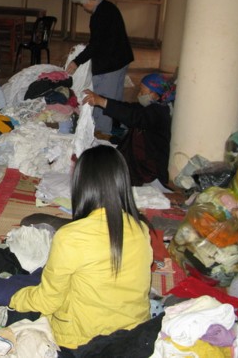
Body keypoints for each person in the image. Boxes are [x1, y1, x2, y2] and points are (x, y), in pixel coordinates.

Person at [9, 145, 152, 352]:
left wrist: (14, 297)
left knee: (16, 297)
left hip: (85, 341)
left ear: (82, 185)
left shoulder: (70, 237)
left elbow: (47, 301)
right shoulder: (141, 229)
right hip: (136, 335)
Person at [82, 72, 176, 186]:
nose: (139, 95)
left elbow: (133, 117)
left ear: (155, 95)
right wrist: (100, 99)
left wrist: (102, 102)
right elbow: (126, 107)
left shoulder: (158, 112)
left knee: (102, 173)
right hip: (138, 162)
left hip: (148, 170)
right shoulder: (150, 108)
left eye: (142, 92)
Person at [66, 0, 134, 135]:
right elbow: (102, 39)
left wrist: (76, 61)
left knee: (102, 98)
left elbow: (96, 44)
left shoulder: (99, 15)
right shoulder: (109, 7)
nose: (83, 7)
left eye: (83, 3)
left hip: (110, 64)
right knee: (115, 97)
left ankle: (102, 132)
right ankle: (117, 126)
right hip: (120, 59)